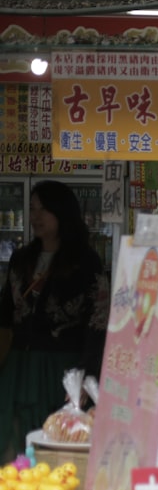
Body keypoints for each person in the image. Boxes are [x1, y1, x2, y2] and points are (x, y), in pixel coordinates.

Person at [0, 180, 110, 458]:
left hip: (64, 368)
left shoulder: (86, 262)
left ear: (62, 213)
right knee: (14, 433)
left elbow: (98, 322)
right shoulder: (21, 259)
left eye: (43, 210)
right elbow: (4, 314)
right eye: (33, 209)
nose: (35, 217)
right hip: (20, 365)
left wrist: (86, 372)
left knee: (58, 437)